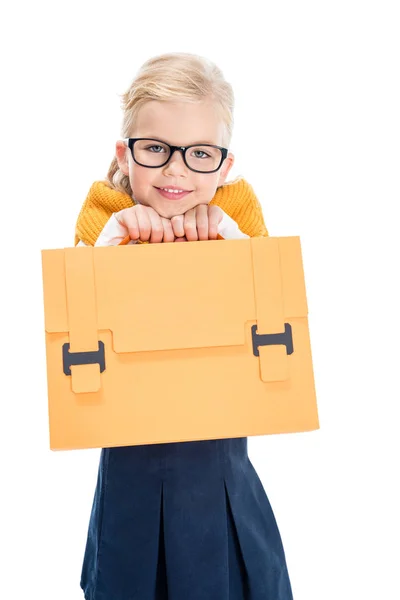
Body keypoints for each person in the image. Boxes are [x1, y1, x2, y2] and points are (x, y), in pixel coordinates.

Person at [75, 52, 293, 600]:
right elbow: (79, 351)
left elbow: (274, 336)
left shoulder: (237, 216)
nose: (176, 170)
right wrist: (113, 246)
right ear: (125, 156)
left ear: (224, 166)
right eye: (156, 150)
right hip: (129, 488)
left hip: (221, 484)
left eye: (199, 154)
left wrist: (229, 244)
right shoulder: (103, 215)